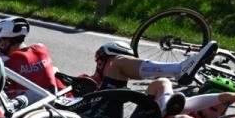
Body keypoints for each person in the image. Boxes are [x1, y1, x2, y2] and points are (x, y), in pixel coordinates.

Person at [91, 39, 219, 90]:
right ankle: (178, 69)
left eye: (130, 61)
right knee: (118, 63)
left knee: (162, 84)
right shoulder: (84, 80)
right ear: (101, 62)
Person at [0, 17, 65, 98]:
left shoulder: (7, 63)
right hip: (53, 100)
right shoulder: (41, 48)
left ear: (3, 43)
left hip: (31, 108)